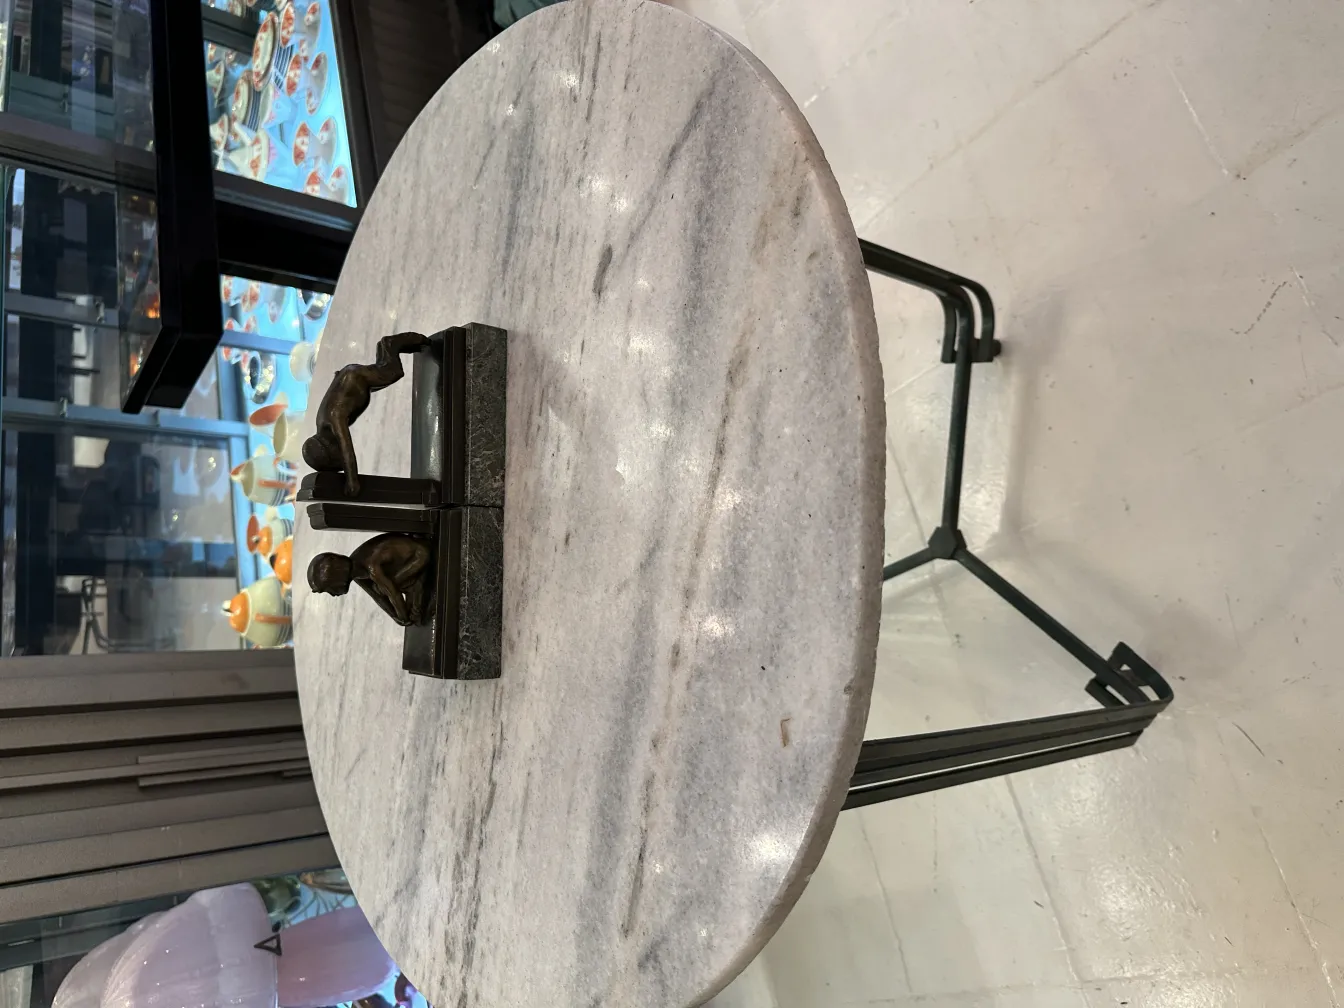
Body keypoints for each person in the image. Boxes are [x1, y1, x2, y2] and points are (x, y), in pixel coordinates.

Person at [302, 331, 429, 496]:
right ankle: (384, 347)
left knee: (393, 371)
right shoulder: (322, 423)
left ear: (329, 449)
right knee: (381, 366)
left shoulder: (334, 419)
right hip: (355, 383)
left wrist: (352, 480)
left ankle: (390, 344)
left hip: (358, 379)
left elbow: (347, 449)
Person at [307, 533, 431, 627]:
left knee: (414, 614)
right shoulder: (357, 572)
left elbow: (394, 595)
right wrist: (395, 617)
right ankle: (416, 591)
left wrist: (403, 619)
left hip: (421, 556)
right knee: (380, 589)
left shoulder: (372, 566)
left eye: (330, 589)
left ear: (335, 576)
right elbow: (378, 598)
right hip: (406, 566)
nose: (333, 594)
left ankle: (417, 586)